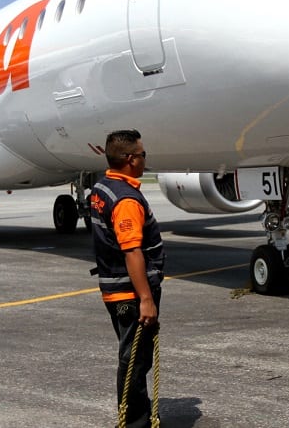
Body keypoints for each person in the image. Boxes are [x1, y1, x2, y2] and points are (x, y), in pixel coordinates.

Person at [90, 129, 165, 428]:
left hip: (115, 288)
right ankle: (134, 421)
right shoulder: (125, 200)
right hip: (130, 294)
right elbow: (132, 250)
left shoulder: (103, 187)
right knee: (135, 360)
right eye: (144, 154)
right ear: (131, 158)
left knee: (132, 356)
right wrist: (146, 299)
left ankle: (138, 414)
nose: (146, 160)